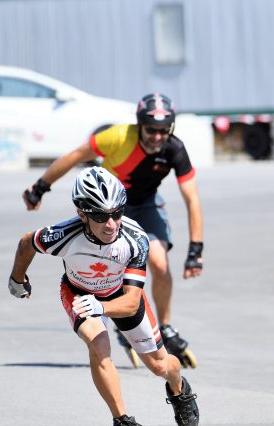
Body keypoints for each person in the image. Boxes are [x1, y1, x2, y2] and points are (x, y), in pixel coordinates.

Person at [9, 167, 199, 426]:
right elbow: (27, 242)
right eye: (100, 216)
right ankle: (122, 421)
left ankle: (179, 389)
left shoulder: (135, 238)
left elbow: (132, 301)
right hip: (78, 293)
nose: (110, 224)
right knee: (99, 346)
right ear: (82, 214)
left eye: (117, 213)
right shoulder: (63, 234)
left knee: (161, 367)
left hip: (121, 296)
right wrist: (17, 279)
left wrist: (102, 306)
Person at [22, 93, 203, 367]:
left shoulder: (175, 149)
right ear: (139, 125)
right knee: (108, 264)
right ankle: (122, 317)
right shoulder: (117, 137)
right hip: (108, 208)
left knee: (160, 263)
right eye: (151, 130)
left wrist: (196, 250)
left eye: (163, 131)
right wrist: (40, 187)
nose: (157, 137)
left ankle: (163, 326)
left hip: (146, 205)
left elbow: (192, 199)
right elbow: (75, 156)